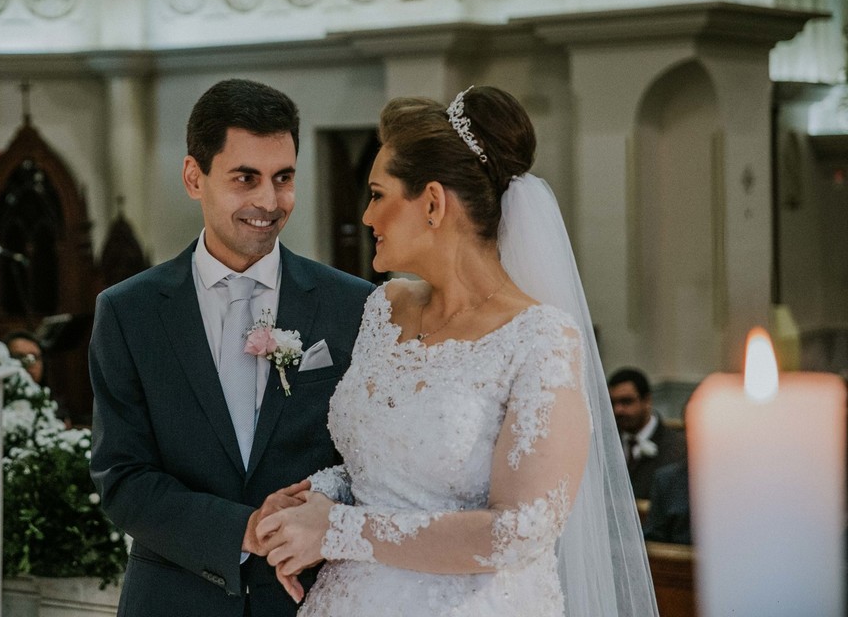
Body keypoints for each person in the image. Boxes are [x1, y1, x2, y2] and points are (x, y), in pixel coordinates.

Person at [255, 88, 658, 617]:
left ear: (433, 203)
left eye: (377, 194)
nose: (367, 216)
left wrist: (336, 530)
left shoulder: (538, 339)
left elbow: (518, 530)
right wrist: (318, 496)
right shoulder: (385, 309)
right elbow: (384, 468)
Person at [89, 79, 374, 617]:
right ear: (194, 177)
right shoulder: (129, 312)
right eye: (246, 178)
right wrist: (243, 529)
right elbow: (121, 478)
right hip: (174, 599)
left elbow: (373, 464)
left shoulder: (354, 306)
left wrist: (319, 517)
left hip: (311, 598)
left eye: (283, 178)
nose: (269, 201)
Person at [608, 366, 687, 500]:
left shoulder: (678, 447)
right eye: (612, 403)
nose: (618, 410)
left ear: (647, 401)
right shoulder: (605, 445)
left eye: (626, 402)